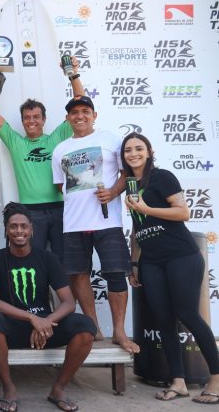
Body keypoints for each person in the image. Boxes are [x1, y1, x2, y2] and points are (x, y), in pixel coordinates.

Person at [122, 132, 219, 405]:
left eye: (138, 148)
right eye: (128, 150)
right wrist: (135, 262)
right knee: (163, 319)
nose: (133, 154)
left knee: (188, 315)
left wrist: (146, 207)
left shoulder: (162, 177)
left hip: (181, 255)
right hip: (151, 260)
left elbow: (183, 212)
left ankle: (216, 378)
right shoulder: (131, 185)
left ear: (149, 151)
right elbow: (136, 228)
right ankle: (178, 381)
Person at [0, 202, 96, 412]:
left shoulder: (47, 258)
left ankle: (59, 389)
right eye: (14, 226)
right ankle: (9, 389)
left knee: (86, 326)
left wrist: (45, 321)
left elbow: (69, 302)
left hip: (45, 327)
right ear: (6, 230)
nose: (19, 231)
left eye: (23, 226)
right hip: (12, 328)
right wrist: (31, 318)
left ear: (31, 229)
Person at [51, 95, 138, 353]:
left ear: (94, 115)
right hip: (74, 223)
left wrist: (112, 193)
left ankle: (119, 332)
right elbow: (60, 185)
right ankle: (93, 326)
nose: (80, 115)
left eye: (85, 111)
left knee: (114, 275)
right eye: (74, 112)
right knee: (78, 274)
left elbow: (126, 174)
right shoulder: (59, 149)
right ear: (67, 118)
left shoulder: (111, 139)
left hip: (107, 221)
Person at [0, 56, 85, 261]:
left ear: (44, 119)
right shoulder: (16, 143)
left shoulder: (57, 137)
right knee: (33, 263)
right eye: (27, 118)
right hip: (30, 214)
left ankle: (65, 295)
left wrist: (73, 74)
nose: (31, 121)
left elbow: (80, 104)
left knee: (66, 264)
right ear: (22, 121)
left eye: (36, 117)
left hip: (61, 209)